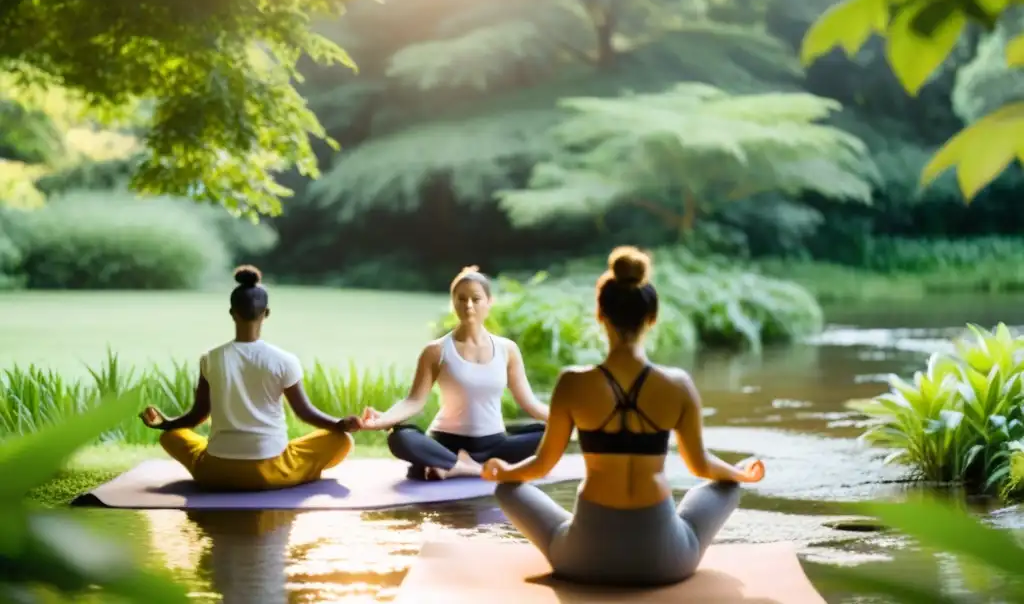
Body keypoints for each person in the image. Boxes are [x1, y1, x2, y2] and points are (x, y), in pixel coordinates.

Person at [480, 246, 765, 587]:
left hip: (583, 559)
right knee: (727, 486)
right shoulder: (677, 385)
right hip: (665, 562)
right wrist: (740, 474)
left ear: (600, 314)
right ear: (652, 317)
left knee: (507, 491)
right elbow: (700, 465)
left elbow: (542, 465)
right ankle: (731, 483)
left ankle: (576, 532)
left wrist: (504, 470)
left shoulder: (573, 383)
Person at [139, 265, 359, 491]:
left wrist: (166, 424)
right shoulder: (284, 360)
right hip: (271, 470)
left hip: (215, 472)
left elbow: (198, 415)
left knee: (171, 436)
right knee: (342, 441)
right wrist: (339, 424)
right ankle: (300, 474)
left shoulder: (210, 359)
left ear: (232, 312)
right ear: (266, 313)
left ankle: (224, 468)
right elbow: (304, 413)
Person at [358, 266, 550, 481]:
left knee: (549, 434)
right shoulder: (436, 351)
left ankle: (453, 467)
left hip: (494, 445)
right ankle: (466, 467)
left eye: (476, 299)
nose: (469, 305)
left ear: (489, 302)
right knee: (400, 438)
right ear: (453, 303)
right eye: (461, 299)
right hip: (446, 444)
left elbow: (530, 403)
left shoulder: (508, 350)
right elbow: (413, 402)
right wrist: (381, 420)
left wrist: (570, 421)